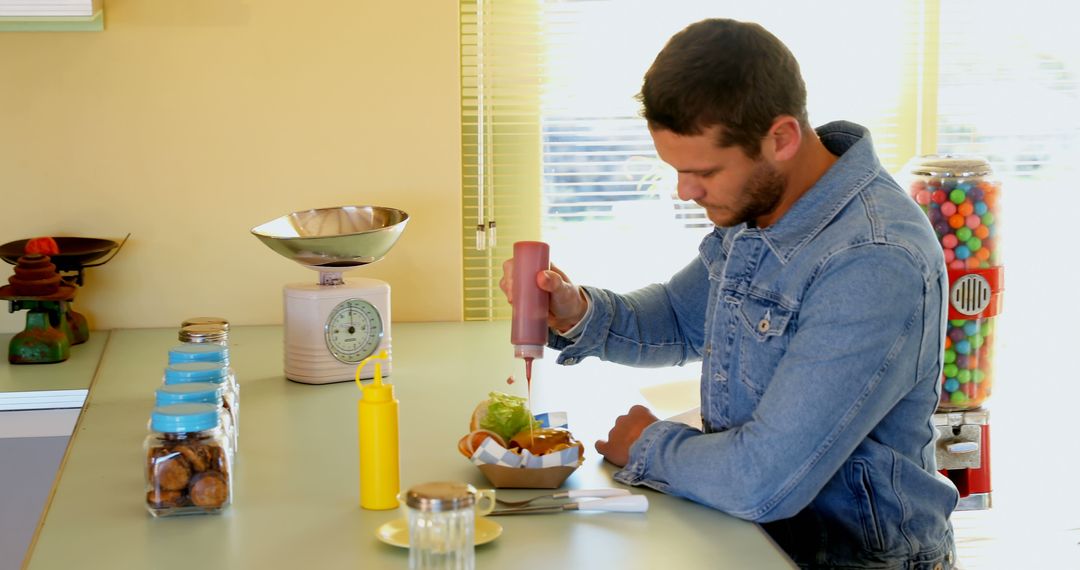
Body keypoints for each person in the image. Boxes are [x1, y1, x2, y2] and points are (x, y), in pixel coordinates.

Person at [499, 18, 958, 570]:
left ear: (781, 138)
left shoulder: (873, 259)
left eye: (704, 172)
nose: (684, 192)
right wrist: (578, 311)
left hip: (847, 559)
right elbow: (679, 316)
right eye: (676, 170)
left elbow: (764, 478)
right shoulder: (763, 205)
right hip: (752, 536)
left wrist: (648, 446)